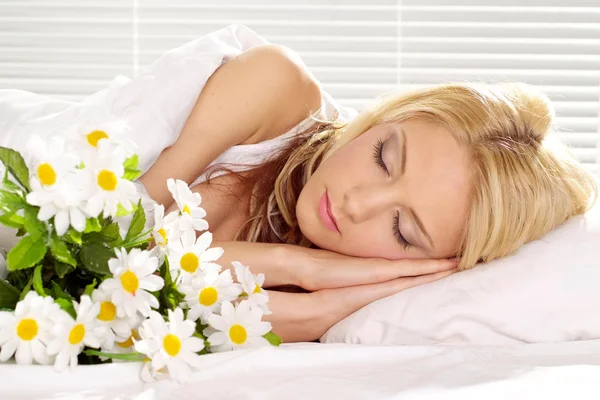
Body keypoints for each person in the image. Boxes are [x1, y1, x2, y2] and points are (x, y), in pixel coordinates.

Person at [132, 44, 597, 343]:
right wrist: (302, 268)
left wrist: (311, 289)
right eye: (382, 158)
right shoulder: (275, 89)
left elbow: (135, 317)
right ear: (384, 118)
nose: (357, 203)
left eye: (402, 229)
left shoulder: (335, 302)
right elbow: (109, 251)